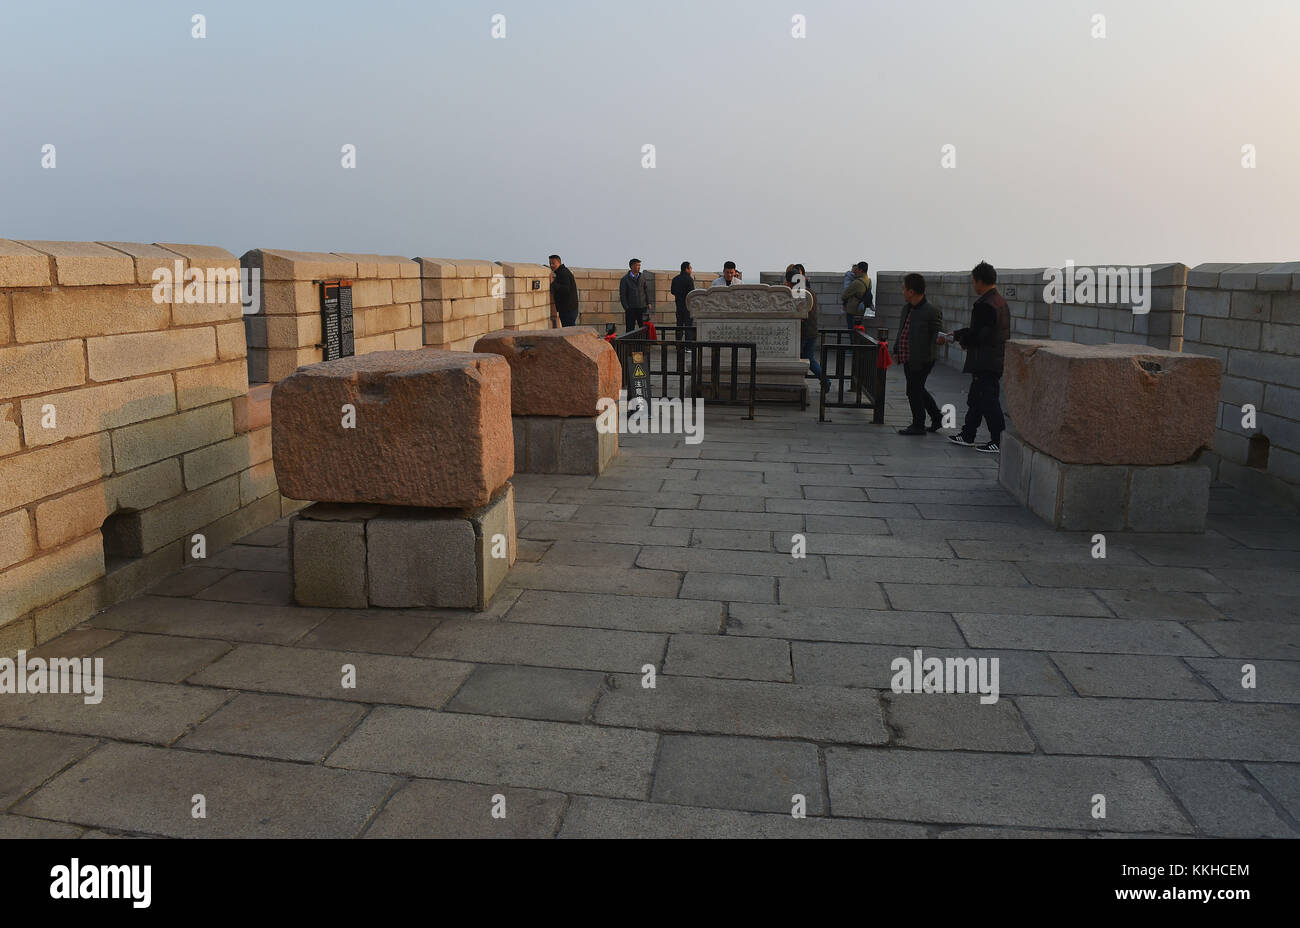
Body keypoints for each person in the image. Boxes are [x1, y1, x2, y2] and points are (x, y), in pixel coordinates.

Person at [949, 260, 1010, 453]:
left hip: (985, 360)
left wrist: (962, 340)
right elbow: (982, 330)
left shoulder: (985, 304)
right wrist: (958, 334)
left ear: (980, 281)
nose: (973, 285)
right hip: (994, 358)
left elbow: (978, 335)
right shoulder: (999, 301)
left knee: (989, 401)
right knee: (977, 398)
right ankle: (968, 435)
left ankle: (998, 440)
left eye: (974, 281)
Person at [894, 273, 945, 436]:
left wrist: (938, 341)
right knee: (917, 389)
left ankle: (918, 424)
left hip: (922, 359)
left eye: (904, 289)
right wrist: (896, 349)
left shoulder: (931, 311)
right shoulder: (906, 308)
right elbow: (902, 331)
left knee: (914, 391)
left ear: (912, 291)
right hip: (907, 357)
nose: (902, 292)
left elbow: (936, 334)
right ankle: (937, 417)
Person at [786, 263, 830, 392]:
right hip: (812, 331)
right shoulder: (809, 291)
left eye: (788, 283)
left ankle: (800, 384)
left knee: (797, 358)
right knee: (809, 359)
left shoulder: (799, 293)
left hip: (803, 332)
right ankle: (824, 380)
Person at [619, 258, 653, 331]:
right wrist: (626, 308)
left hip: (642, 307)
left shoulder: (642, 277)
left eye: (639, 265)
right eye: (637, 265)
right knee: (630, 329)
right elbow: (623, 295)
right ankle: (629, 343)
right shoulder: (625, 279)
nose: (639, 267)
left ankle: (644, 343)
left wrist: (649, 302)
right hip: (631, 308)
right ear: (632, 266)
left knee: (644, 328)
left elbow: (646, 291)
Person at [548, 254, 579, 327]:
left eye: (553, 263)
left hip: (568, 310)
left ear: (559, 262)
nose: (551, 265)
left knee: (569, 332)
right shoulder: (562, 271)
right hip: (569, 309)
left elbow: (566, 289)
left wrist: (553, 283)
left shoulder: (563, 273)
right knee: (570, 330)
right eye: (550, 263)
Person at [841, 262, 873, 329]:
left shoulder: (857, 282)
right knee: (858, 331)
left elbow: (844, 295)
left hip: (852, 311)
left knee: (852, 332)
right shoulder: (869, 281)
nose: (855, 272)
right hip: (861, 311)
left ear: (860, 270)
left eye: (857, 269)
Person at [671, 261, 695, 337]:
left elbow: (672, 291)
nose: (691, 270)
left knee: (679, 326)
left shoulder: (675, 279)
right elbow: (692, 293)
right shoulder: (689, 279)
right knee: (688, 327)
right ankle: (688, 347)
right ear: (686, 269)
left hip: (679, 306)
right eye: (690, 268)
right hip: (687, 307)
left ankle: (678, 346)